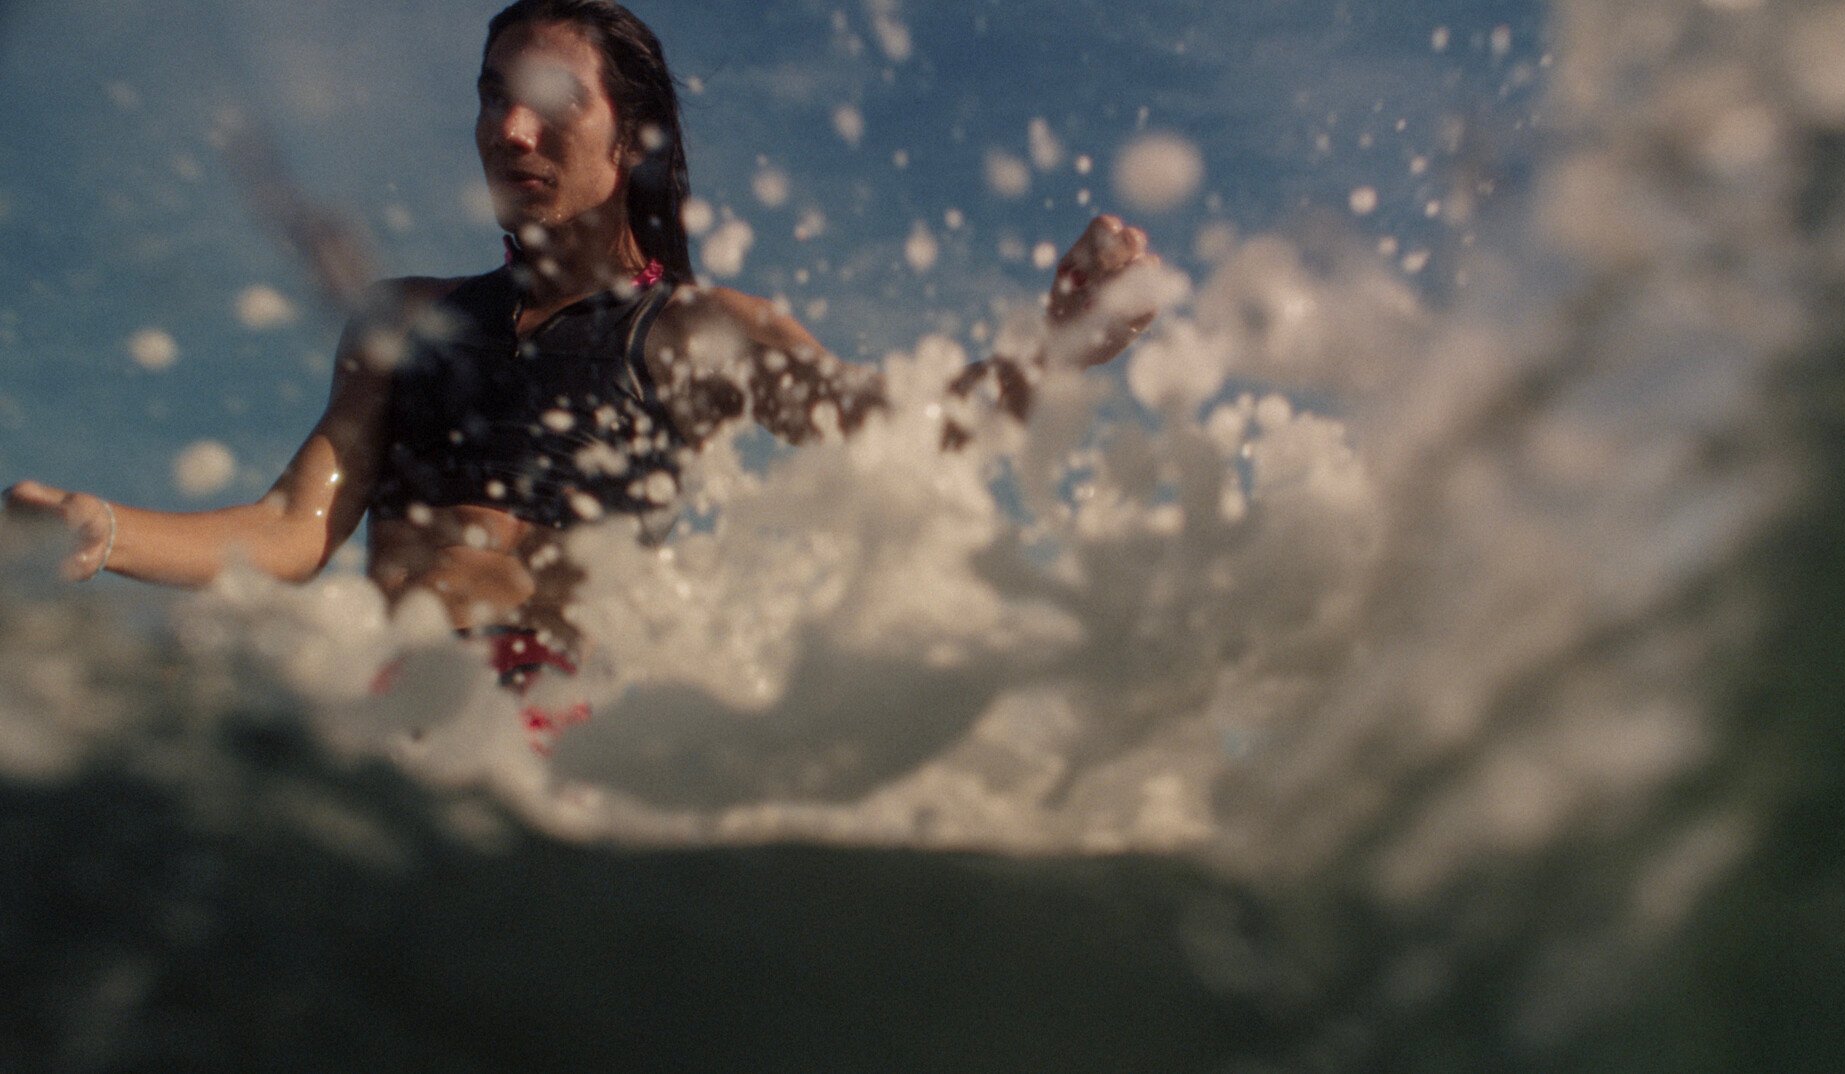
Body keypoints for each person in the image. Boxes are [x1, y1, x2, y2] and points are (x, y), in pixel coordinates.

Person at [3, 0, 1157, 720]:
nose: (509, 132)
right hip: (389, 717)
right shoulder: (403, 319)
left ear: (632, 135)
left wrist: (1057, 350)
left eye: (549, 103)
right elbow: (293, 530)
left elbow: (904, 435)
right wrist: (105, 530)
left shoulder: (707, 331)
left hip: (553, 734)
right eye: (491, 102)